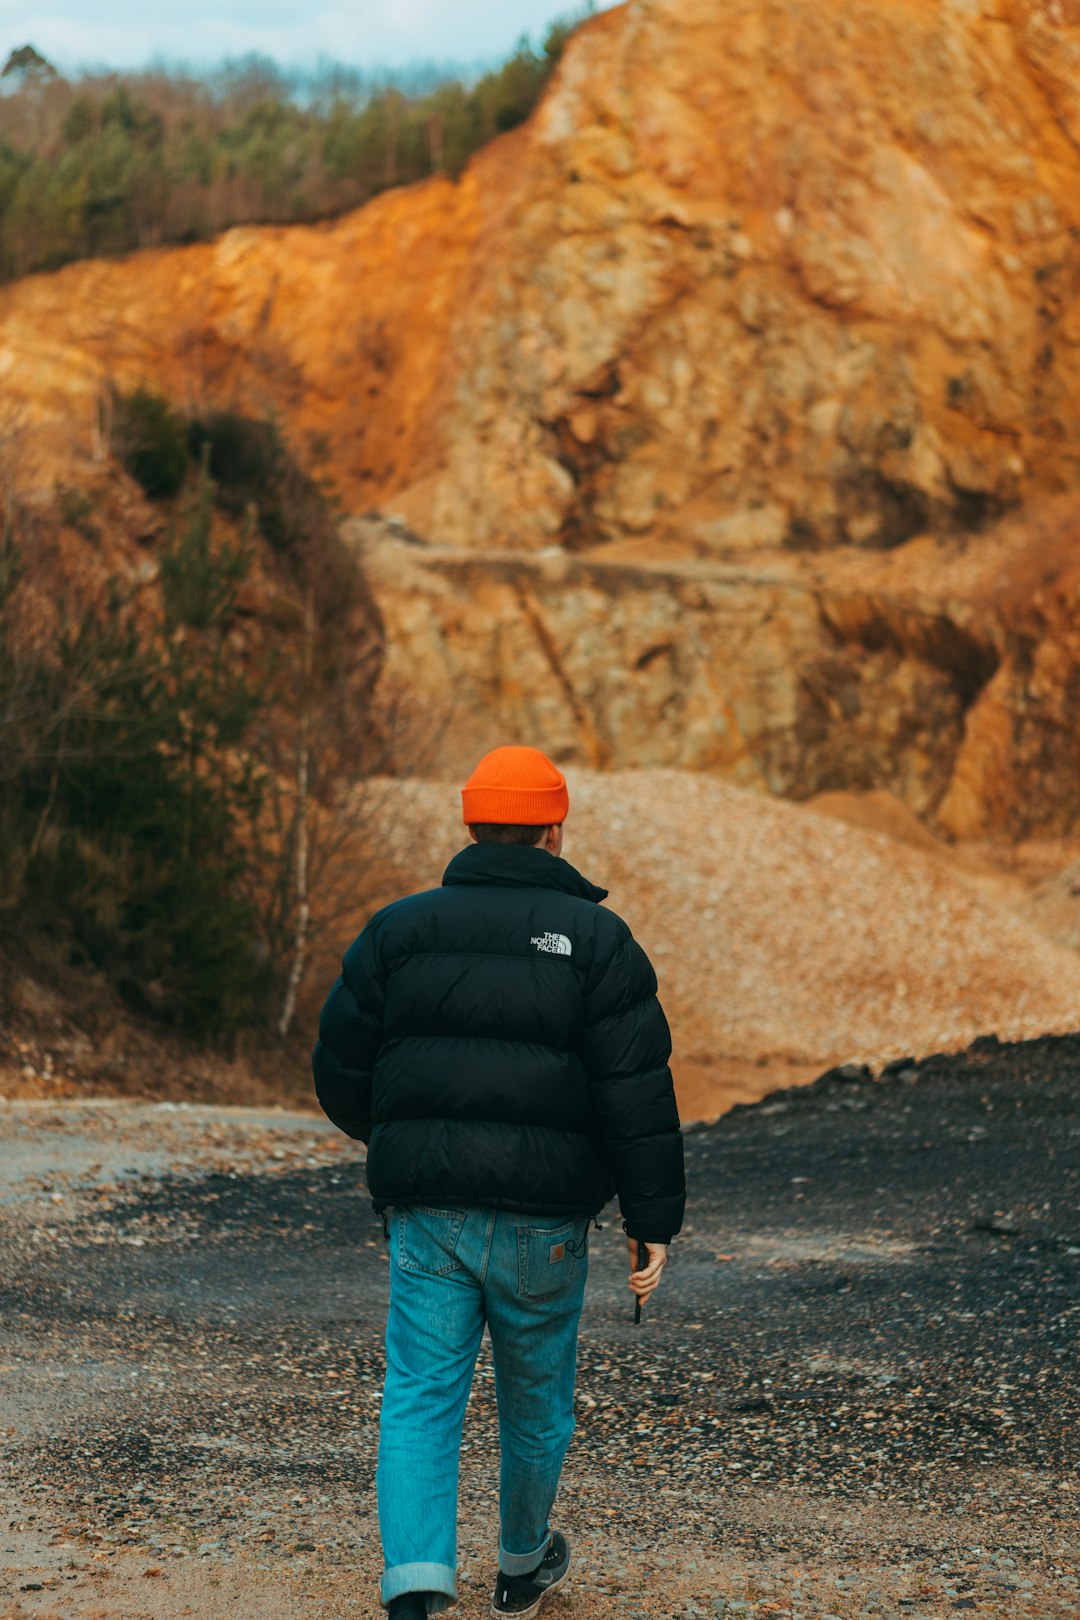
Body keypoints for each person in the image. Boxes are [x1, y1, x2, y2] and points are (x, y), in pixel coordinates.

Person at [312, 745, 685, 1619]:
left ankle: (414, 1588)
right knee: (536, 1398)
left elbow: (340, 1066)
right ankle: (520, 1567)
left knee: (420, 1394)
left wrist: (409, 1140)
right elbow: (636, 1090)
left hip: (429, 1213)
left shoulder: (399, 929)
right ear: (556, 829)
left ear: (470, 826)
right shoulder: (599, 940)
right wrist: (650, 1215)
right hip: (545, 1222)